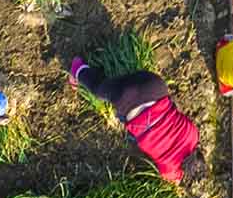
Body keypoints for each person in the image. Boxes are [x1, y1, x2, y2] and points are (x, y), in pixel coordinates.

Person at [71, 51, 201, 181]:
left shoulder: (194, 135)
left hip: (154, 85)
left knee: (165, 105)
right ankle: (77, 70)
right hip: (129, 100)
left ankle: (119, 74)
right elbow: (172, 179)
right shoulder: (170, 169)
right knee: (99, 91)